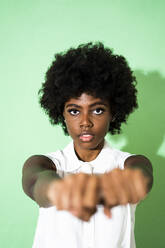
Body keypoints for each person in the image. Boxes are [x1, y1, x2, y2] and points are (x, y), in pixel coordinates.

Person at [22, 42, 153, 248]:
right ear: (61, 113)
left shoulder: (130, 163)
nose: (85, 122)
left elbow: (140, 179)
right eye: (74, 111)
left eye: (98, 110)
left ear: (114, 112)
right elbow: (36, 183)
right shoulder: (44, 163)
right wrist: (60, 190)